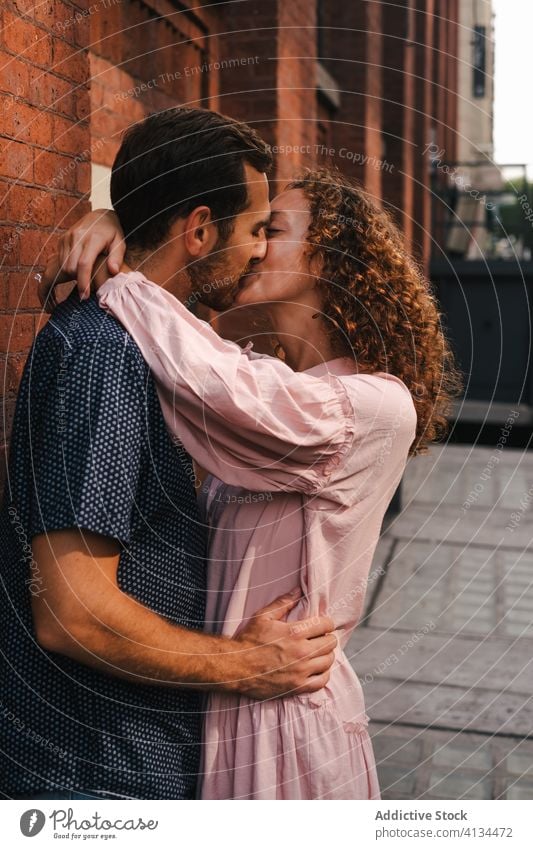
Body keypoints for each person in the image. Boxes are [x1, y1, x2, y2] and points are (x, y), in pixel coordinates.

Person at [45, 137, 461, 796]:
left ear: (329, 257)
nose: (259, 245)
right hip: (228, 697)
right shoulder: (265, 384)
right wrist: (122, 224)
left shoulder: (373, 405)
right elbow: (205, 360)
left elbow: (218, 381)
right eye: (256, 228)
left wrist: (127, 273)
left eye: (276, 229)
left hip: (286, 719)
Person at [0, 108, 337, 801]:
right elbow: (73, 612)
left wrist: (117, 220)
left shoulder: (161, 347)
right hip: (92, 775)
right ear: (201, 229)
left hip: (137, 756)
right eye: (252, 230)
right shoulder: (106, 354)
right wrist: (246, 663)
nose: (255, 251)